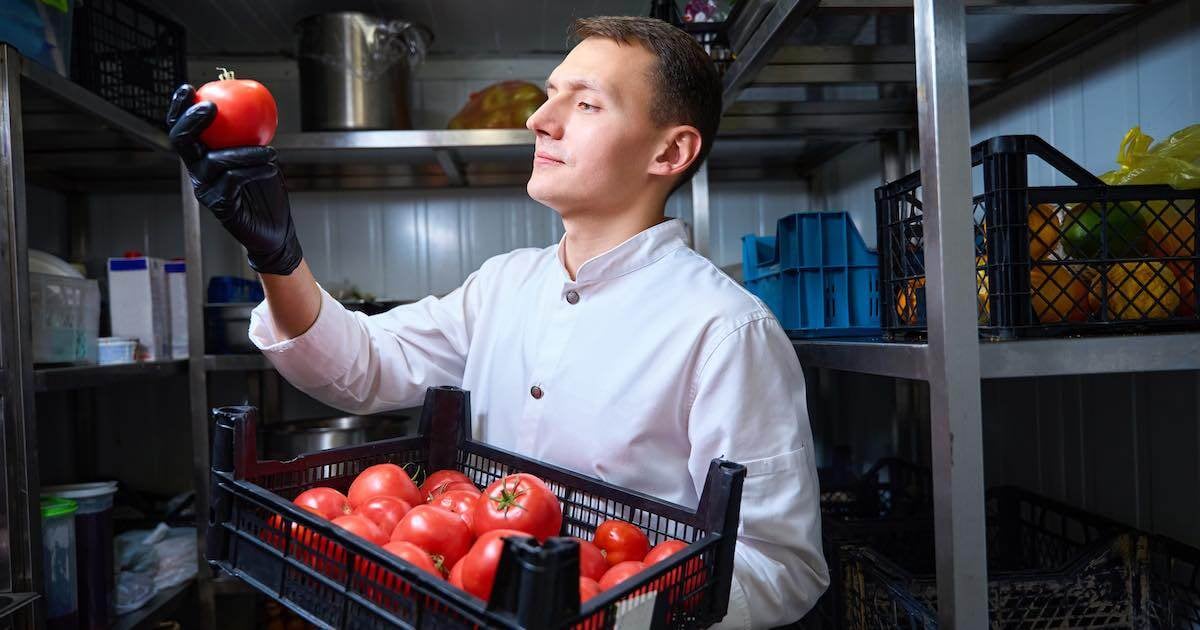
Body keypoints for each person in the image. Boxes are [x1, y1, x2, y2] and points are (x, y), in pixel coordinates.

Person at [167, 15, 827, 628]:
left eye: (586, 104)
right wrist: (276, 254)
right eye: (549, 94)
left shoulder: (724, 330)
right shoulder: (504, 285)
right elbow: (361, 367)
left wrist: (603, 611)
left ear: (669, 151)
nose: (541, 118)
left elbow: (783, 567)